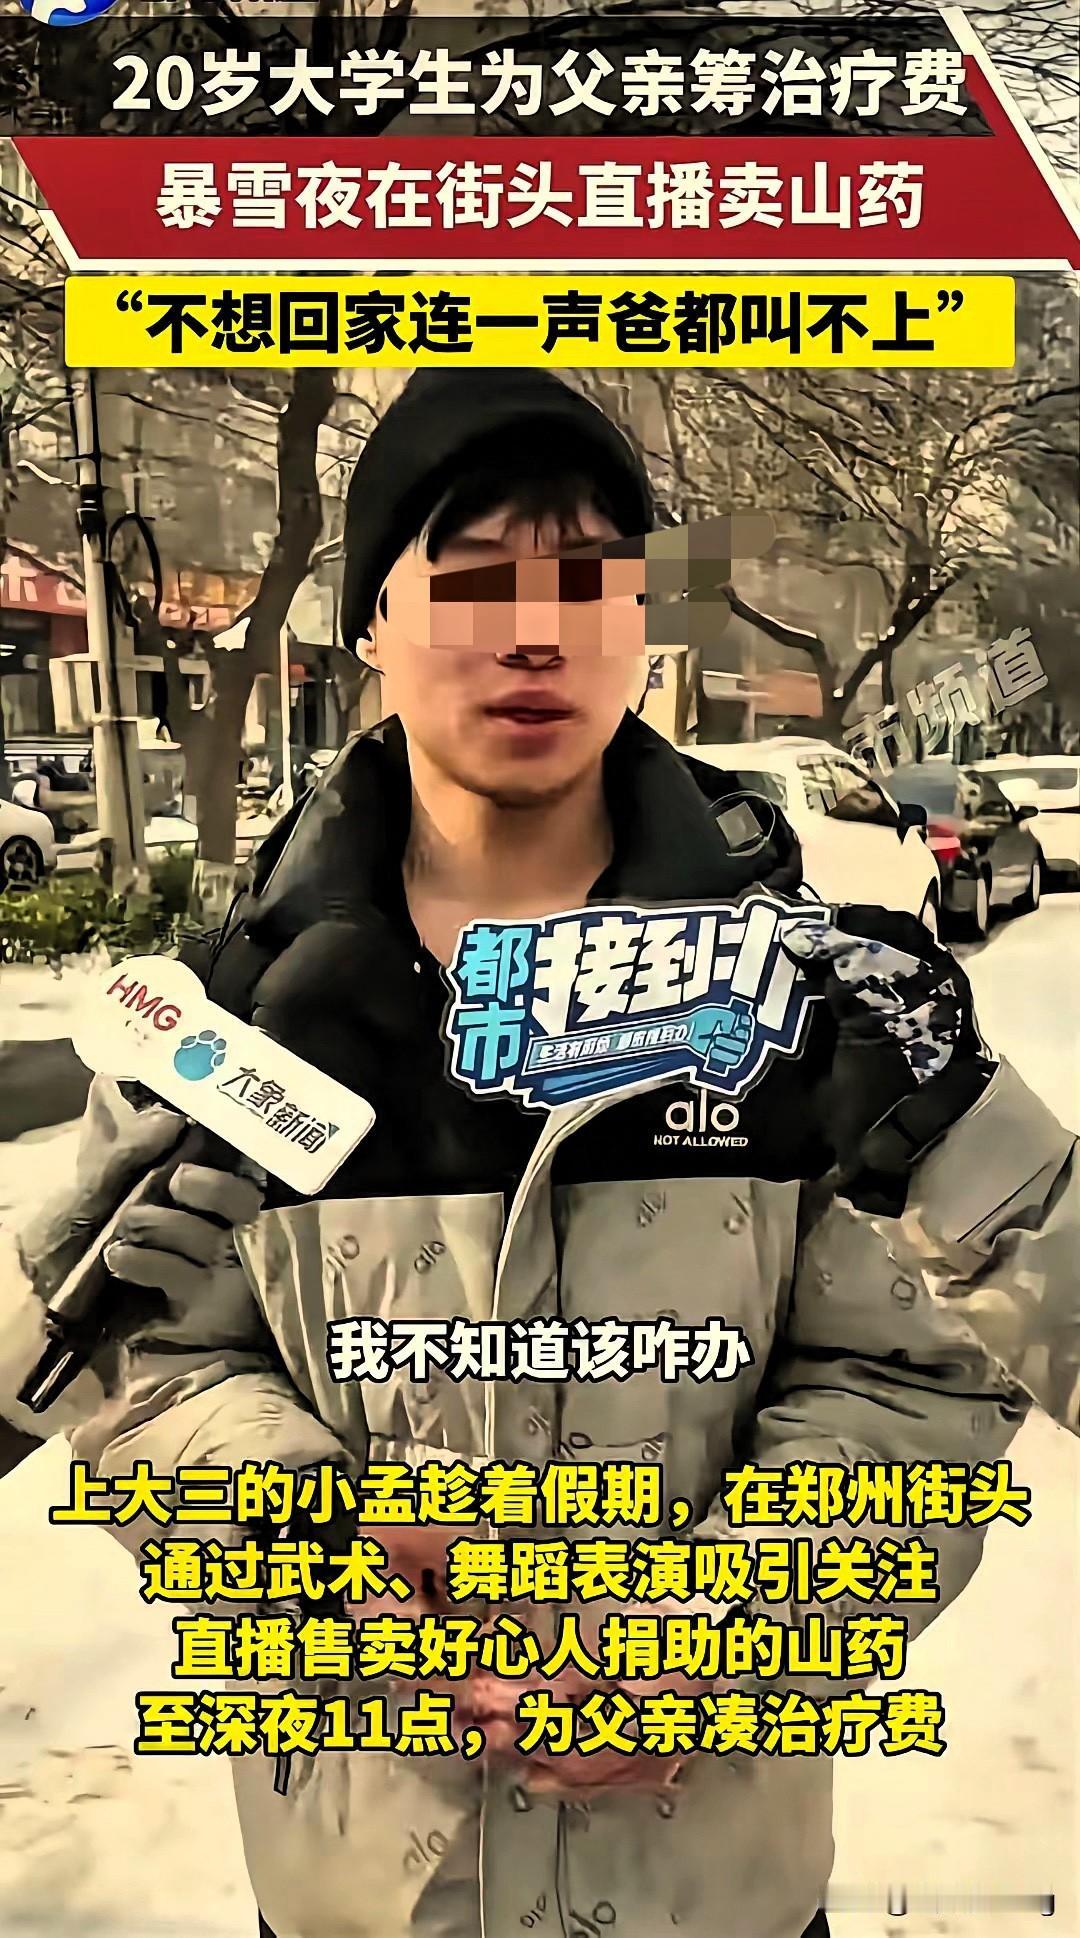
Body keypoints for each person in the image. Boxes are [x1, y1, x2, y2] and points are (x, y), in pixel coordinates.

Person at [2, 369, 1075, 1938]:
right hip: (366, 1891)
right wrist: (317, 1541)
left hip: (714, 1888)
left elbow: (918, 1385)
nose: (534, 632)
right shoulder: (245, 1012)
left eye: (586, 579)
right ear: (371, 623)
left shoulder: (799, 996)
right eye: (473, 578)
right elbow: (136, 1368)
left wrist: (718, 1636)